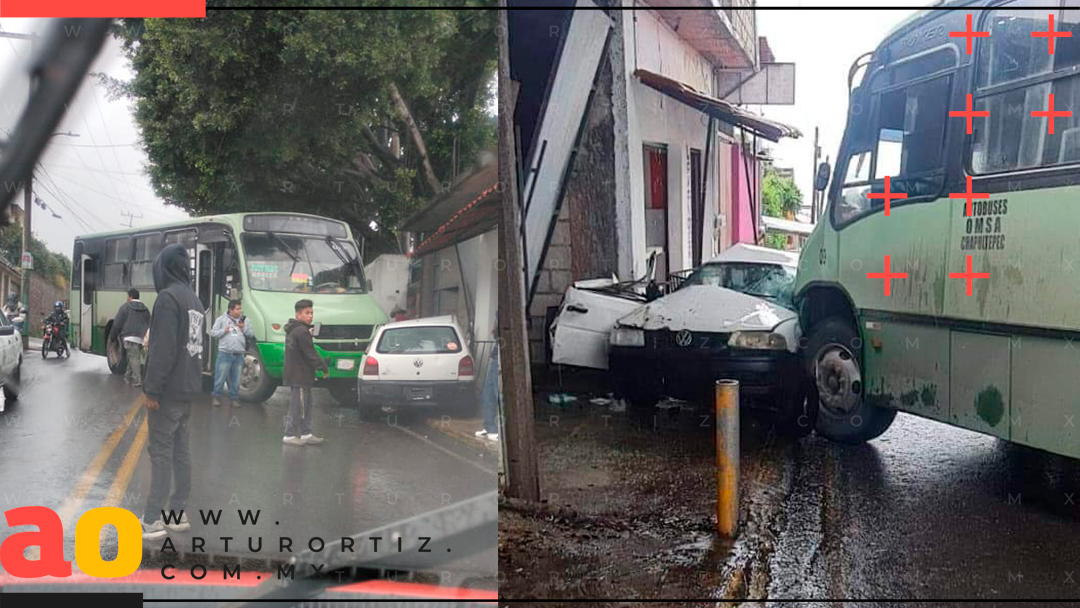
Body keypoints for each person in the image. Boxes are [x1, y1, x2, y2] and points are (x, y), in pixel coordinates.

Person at [140, 244, 205, 540]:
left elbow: (162, 350)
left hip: (167, 392)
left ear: (163, 268)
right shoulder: (195, 300)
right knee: (181, 451)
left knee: (161, 452)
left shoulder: (167, 298)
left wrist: (152, 389)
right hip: (188, 388)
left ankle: (152, 518)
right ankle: (177, 513)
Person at [282, 298, 329, 446]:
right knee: (298, 406)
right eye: (307, 313)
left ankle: (306, 433)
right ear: (298, 315)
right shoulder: (302, 332)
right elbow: (310, 353)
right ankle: (289, 435)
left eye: (312, 313)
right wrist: (323, 367)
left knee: (306, 405)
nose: (310, 316)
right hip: (300, 375)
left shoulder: (297, 329)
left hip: (301, 374)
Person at [209, 299, 253, 407]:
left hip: (239, 354)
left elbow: (251, 334)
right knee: (221, 377)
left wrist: (244, 328)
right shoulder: (221, 319)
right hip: (225, 353)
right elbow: (213, 332)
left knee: (236, 379)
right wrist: (224, 331)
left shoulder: (245, 320)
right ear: (231, 310)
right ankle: (216, 397)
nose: (240, 311)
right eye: (237, 309)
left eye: (240, 308)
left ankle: (234, 398)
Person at [108, 289, 151, 387]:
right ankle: (127, 377)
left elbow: (117, 324)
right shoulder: (145, 308)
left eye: (127, 296)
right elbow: (150, 322)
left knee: (133, 357)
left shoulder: (125, 307)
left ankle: (137, 379)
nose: (127, 298)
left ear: (130, 297)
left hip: (129, 336)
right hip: (141, 337)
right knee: (133, 356)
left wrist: (113, 337)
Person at [475, 314, 500, 441]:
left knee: (498, 393)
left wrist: (495, 332)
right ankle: (490, 426)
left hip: (500, 356)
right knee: (488, 393)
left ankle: (500, 430)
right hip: (496, 356)